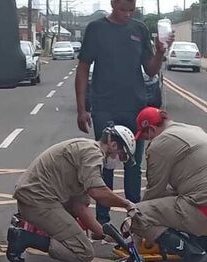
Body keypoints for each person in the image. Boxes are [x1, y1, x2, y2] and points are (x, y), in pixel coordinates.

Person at [75, 0, 172, 225]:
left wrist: (159, 52)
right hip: (104, 106)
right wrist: (82, 109)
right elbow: (82, 69)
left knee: (133, 165)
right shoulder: (96, 29)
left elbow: (150, 69)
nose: (127, 15)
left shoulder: (139, 29)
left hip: (135, 108)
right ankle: (103, 221)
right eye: (122, 10)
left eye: (132, 10)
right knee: (105, 163)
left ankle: (135, 218)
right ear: (112, 4)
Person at [129, 107, 207, 262]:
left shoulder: (160, 143)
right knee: (185, 199)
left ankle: (194, 256)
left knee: (140, 213)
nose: (147, 140)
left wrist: (135, 229)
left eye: (146, 136)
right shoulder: (194, 130)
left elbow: (154, 192)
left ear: (151, 129)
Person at [6, 125, 139, 262]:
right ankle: (24, 238)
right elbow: (98, 192)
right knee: (84, 253)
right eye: (122, 156)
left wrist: (105, 235)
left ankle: (33, 229)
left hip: (34, 198)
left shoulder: (86, 149)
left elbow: (79, 206)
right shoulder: (93, 154)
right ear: (113, 145)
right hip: (38, 201)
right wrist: (127, 204)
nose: (120, 161)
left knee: (79, 232)